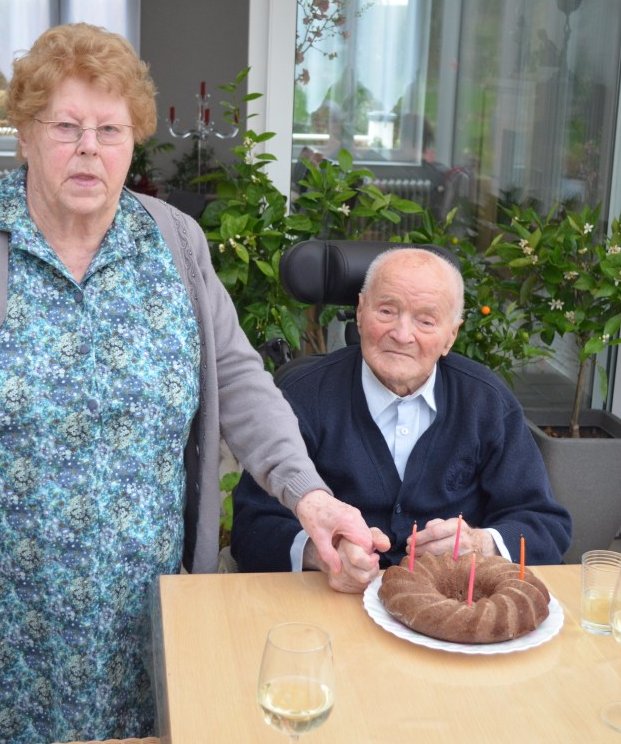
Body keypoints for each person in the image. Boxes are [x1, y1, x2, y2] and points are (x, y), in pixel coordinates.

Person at [0, 23, 373, 743]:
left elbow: (238, 377)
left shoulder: (175, 242)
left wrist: (307, 495)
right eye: (65, 126)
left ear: (134, 142)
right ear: (24, 135)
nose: (88, 148)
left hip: (140, 603)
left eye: (110, 129)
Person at [231, 248, 572, 593]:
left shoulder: (486, 402)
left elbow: (546, 525)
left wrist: (480, 544)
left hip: (452, 613)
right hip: (330, 605)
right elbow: (250, 527)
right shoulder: (303, 395)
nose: (402, 333)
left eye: (425, 320)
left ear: (450, 336)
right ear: (361, 313)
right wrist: (321, 553)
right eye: (387, 311)